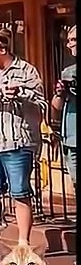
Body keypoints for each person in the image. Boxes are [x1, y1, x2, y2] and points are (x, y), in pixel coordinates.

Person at [0, 28, 45, 253]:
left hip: (17, 141)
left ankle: (23, 242)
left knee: (20, 192)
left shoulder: (26, 71)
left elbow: (42, 104)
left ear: (1, 49)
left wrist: (20, 92)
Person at [52, 25, 76, 192]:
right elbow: (57, 106)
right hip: (71, 136)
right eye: (68, 41)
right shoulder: (68, 72)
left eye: (74, 40)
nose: (69, 45)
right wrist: (60, 93)